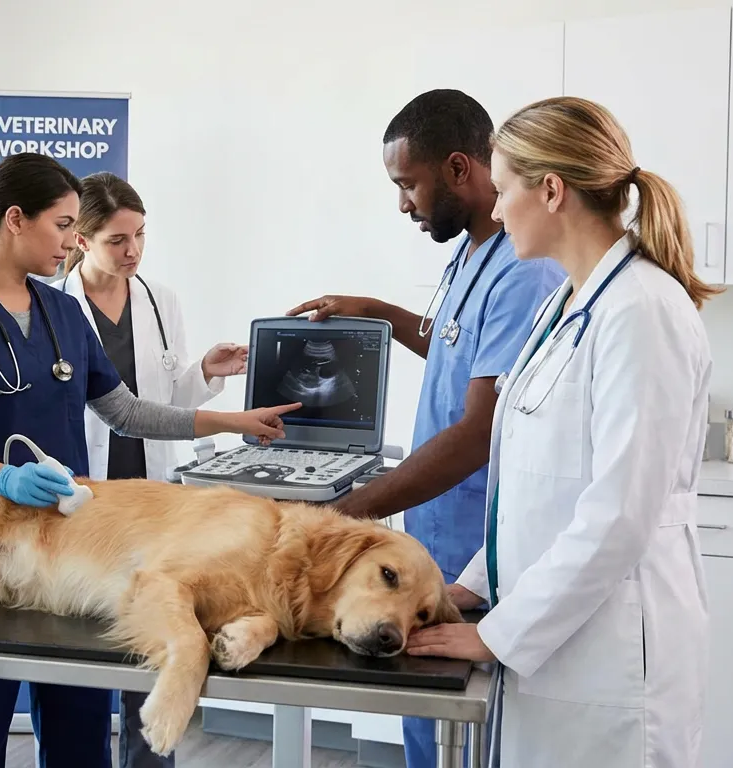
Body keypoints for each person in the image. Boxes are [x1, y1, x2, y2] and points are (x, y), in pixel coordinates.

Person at [0, 152, 300, 768]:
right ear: (15, 221)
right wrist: (2, 478)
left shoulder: (62, 313)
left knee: (81, 739)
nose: (71, 241)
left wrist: (227, 420)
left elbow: (127, 412)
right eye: (62, 226)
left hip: (70, 553)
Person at [406, 96, 717, 768]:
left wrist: (498, 635)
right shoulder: (566, 304)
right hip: (559, 648)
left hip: (614, 660)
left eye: (505, 187)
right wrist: (474, 585)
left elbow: (619, 515)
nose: (493, 209)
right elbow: (526, 484)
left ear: (551, 191)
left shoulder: (642, 310)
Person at [284, 89, 564, 766]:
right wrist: (374, 310)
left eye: (408, 184)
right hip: (431, 535)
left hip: (476, 545)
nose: (403, 203)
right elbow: (449, 341)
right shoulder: (469, 253)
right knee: (423, 722)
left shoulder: (522, 271)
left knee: (462, 732)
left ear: (461, 168)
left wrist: (353, 511)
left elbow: (478, 431)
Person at [58, 171, 245, 768]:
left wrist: (206, 374)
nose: (133, 250)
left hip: (153, 492)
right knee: (85, 645)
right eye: (117, 239)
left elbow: (166, 397)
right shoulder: (52, 306)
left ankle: (148, 760)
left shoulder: (160, 299)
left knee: (153, 637)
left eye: (140, 235)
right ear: (81, 240)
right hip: (86, 493)